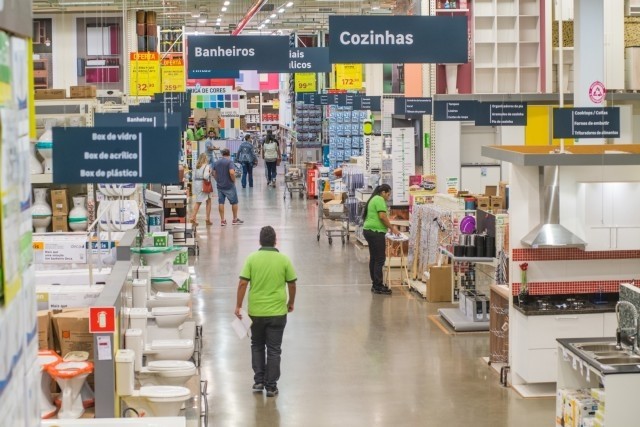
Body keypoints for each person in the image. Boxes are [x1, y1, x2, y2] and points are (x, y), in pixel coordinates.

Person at [235, 226, 297, 397]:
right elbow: (292, 284)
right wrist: (290, 303)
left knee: (256, 345)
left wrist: (238, 306)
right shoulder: (284, 260)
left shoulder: (252, 259)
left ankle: (258, 381)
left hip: (256, 312)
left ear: (260, 241)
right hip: (278, 312)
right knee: (274, 349)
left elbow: (242, 283)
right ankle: (271, 386)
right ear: (275, 241)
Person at [362, 184, 399, 295]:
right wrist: (392, 228)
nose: (389, 196)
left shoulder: (374, 198)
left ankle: (375, 284)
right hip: (375, 232)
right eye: (388, 194)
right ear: (383, 192)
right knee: (380, 259)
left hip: (369, 231)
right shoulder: (379, 199)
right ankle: (378, 285)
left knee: (374, 258)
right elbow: (382, 216)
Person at [212, 148, 243, 226]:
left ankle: (222, 220)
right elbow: (232, 173)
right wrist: (233, 180)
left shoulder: (216, 162)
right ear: (229, 154)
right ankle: (235, 219)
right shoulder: (230, 162)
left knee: (221, 202)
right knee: (234, 202)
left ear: (222, 154)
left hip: (220, 186)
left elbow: (214, 173)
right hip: (229, 185)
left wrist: (217, 180)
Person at [190, 153, 213, 226]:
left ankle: (196, 218)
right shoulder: (206, 166)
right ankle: (195, 218)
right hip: (204, 184)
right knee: (206, 201)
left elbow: (193, 177)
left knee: (200, 200)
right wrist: (210, 172)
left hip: (197, 184)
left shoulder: (196, 166)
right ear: (205, 159)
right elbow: (206, 177)